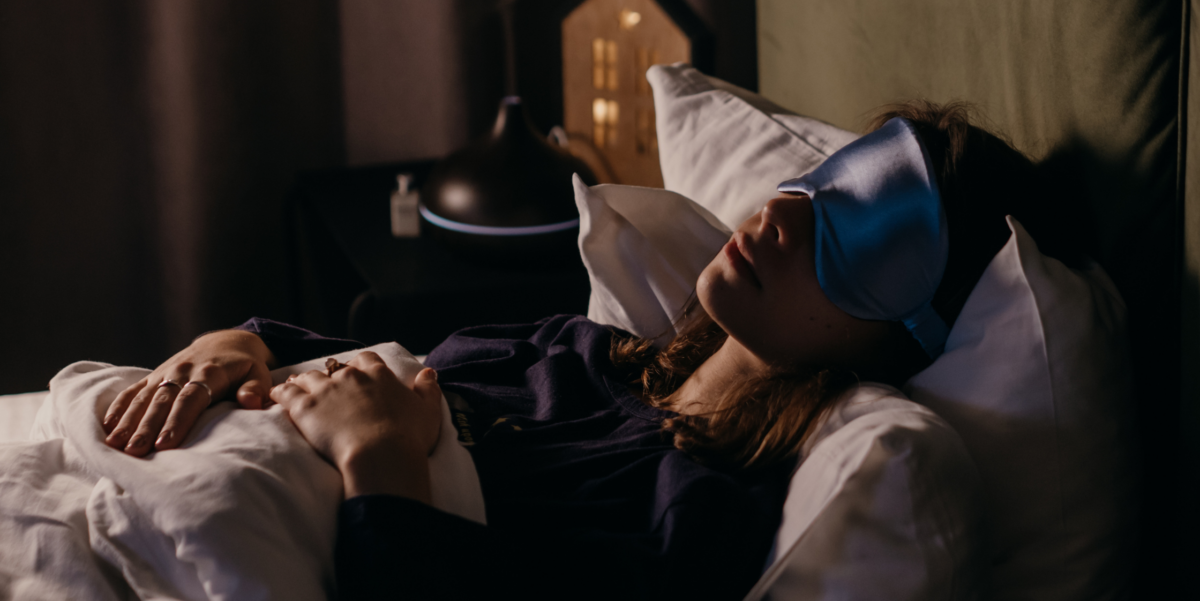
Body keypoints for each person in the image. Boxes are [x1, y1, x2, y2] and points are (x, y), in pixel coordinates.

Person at [99, 101, 1051, 600]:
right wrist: (227, 346)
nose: (780, 216)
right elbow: (342, 354)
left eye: (863, 236)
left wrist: (380, 460)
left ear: (916, 328)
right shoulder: (580, 349)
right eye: (811, 185)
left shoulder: (700, 511)